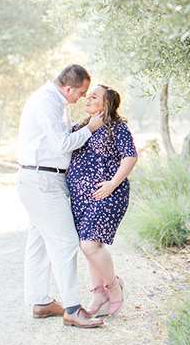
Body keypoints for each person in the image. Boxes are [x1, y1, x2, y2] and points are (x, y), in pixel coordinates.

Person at [16, 64, 104, 328]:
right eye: (81, 92)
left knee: (39, 242)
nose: (82, 98)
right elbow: (62, 144)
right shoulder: (47, 103)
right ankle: (73, 309)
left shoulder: (54, 102)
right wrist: (91, 128)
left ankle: (41, 302)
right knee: (65, 242)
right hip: (42, 181)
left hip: (41, 178)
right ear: (68, 88)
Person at [66, 85, 138, 317]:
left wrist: (111, 184)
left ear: (106, 104)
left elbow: (130, 156)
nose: (88, 97)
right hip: (81, 200)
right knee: (88, 246)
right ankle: (98, 293)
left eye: (94, 96)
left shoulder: (117, 127)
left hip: (109, 194)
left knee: (90, 245)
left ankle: (114, 288)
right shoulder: (81, 126)